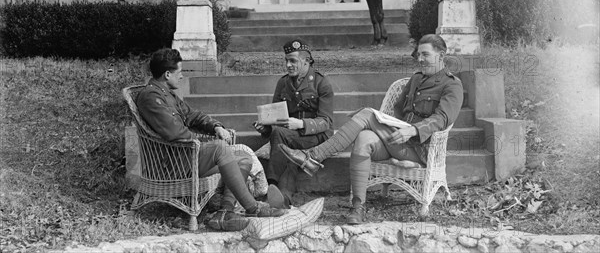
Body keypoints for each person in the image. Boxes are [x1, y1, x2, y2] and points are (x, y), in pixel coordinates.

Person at [279, 34, 463, 224]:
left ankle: (314, 156)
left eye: (425, 55)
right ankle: (358, 207)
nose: (420, 59)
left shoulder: (452, 85)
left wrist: (413, 130)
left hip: (422, 149)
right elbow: (398, 109)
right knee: (364, 138)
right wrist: (394, 128)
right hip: (399, 141)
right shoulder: (416, 79)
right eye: (418, 55)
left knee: (367, 114)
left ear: (441, 55)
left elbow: (442, 118)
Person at [137, 48, 286, 231]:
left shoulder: (167, 93)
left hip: (184, 156)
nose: (182, 76)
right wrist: (207, 142)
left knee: (243, 158)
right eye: (180, 72)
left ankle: (224, 213)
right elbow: (175, 133)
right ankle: (253, 208)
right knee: (220, 148)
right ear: (167, 74)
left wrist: (215, 126)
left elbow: (192, 116)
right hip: (172, 163)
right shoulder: (151, 97)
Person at [253, 39, 334, 209]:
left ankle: (270, 185)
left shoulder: (321, 83)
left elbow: (326, 122)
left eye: (293, 61)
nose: (288, 65)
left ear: (306, 61)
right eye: (286, 60)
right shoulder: (283, 83)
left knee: (281, 138)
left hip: (316, 136)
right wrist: (265, 127)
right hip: (289, 137)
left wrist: (300, 123)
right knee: (287, 153)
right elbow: (274, 116)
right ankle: (283, 199)